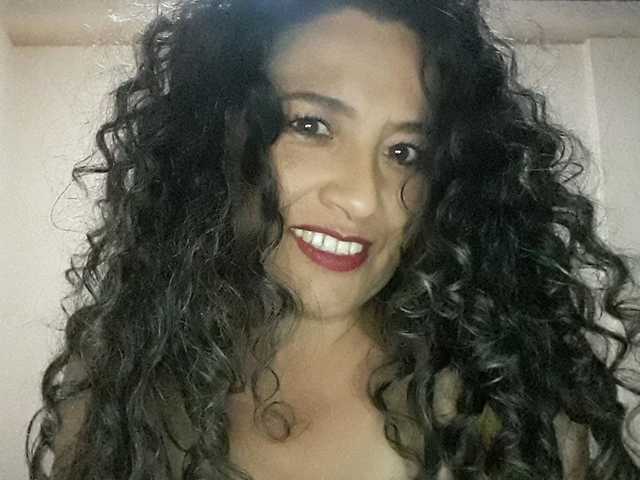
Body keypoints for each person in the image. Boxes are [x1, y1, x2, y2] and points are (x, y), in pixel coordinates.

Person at [26, 0, 640, 479]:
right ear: (218, 136)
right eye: (312, 125)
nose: (364, 198)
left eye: (405, 152)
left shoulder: (506, 408)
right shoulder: (118, 380)